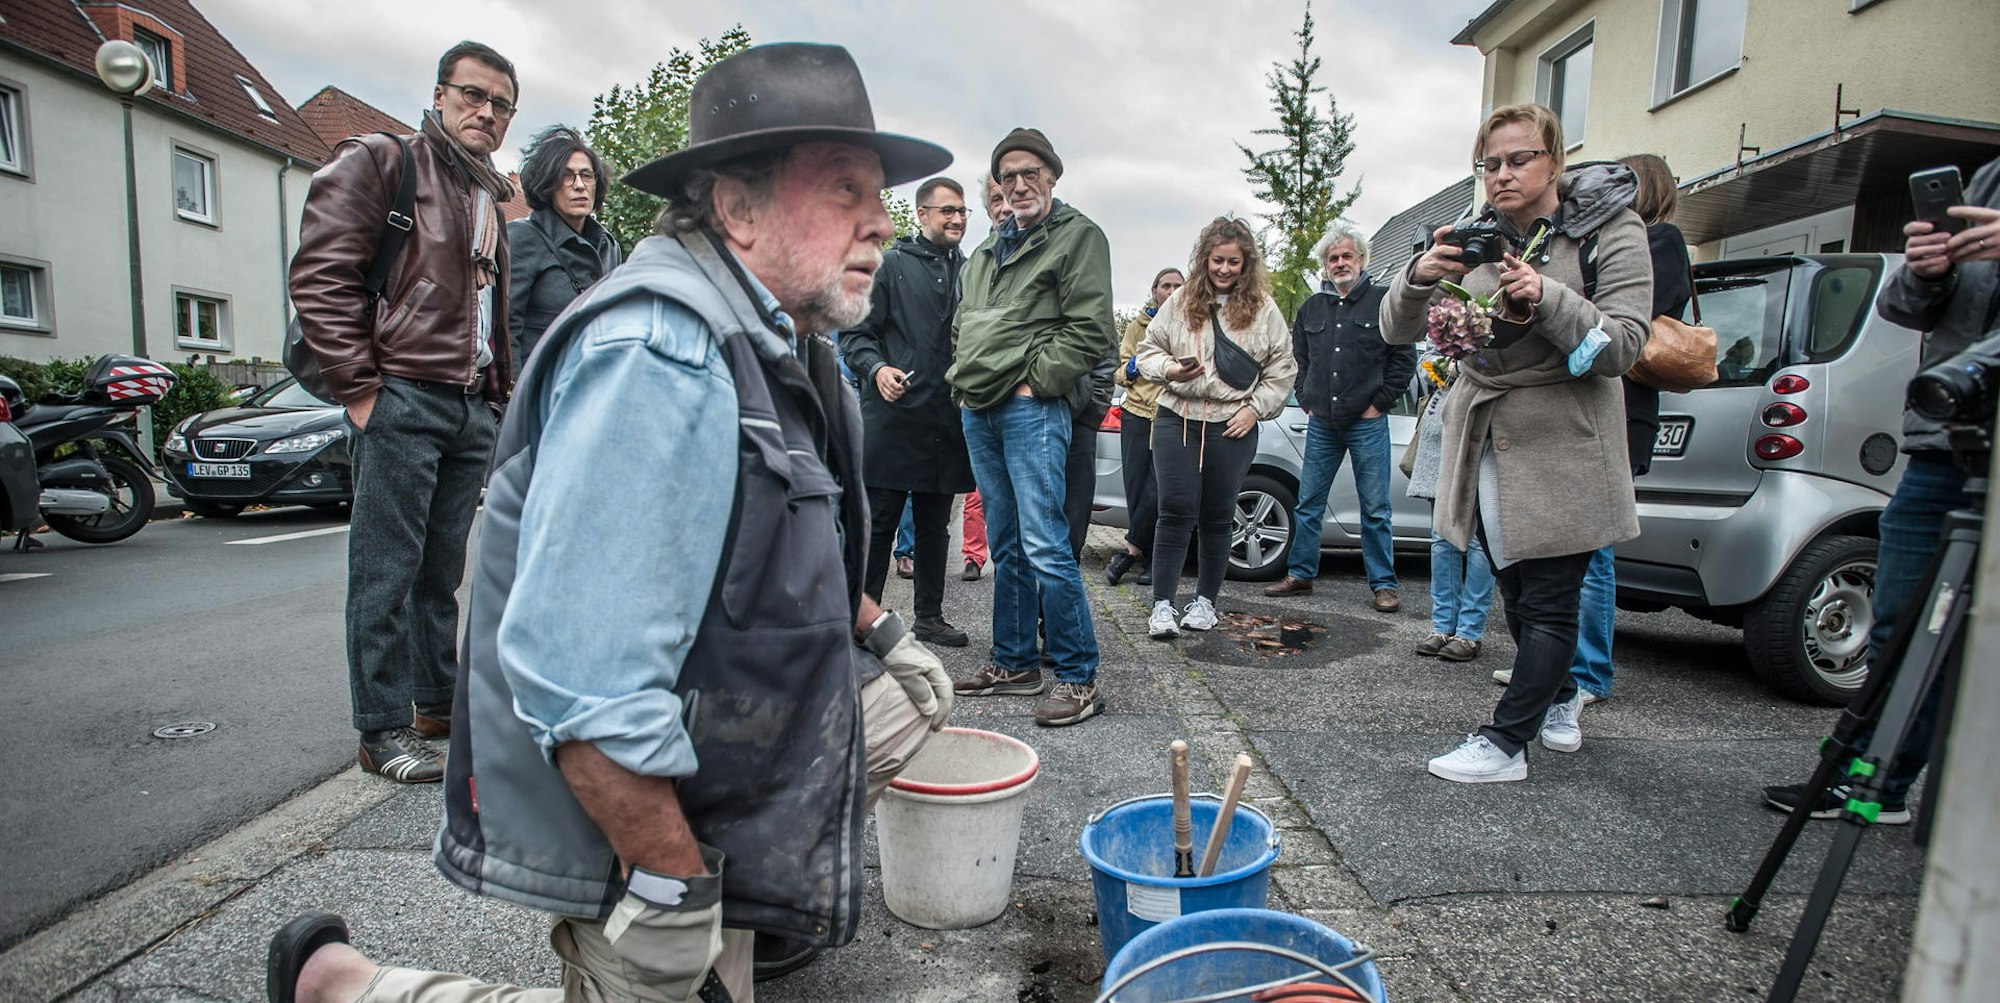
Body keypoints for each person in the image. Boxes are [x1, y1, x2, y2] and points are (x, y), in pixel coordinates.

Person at [263, 43, 956, 1003]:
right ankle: (346, 990)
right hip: (634, 792)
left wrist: (879, 628)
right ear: (738, 208)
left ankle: (737, 917)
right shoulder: (662, 351)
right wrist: (671, 882)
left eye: (878, 193)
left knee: (902, 704)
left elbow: (780, 548)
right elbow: (582, 680)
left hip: (710, 749)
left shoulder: (779, 335)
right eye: (847, 189)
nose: (882, 221)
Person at [1381, 103, 1651, 784]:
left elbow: (1623, 345)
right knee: (1519, 594)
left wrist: (1550, 295)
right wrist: (1418, 274)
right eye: (1491, 163)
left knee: (1553, 598)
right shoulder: (1477, 235)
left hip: (1566, 436)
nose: (1502, 174)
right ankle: (1555, 697)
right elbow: (1394, 330)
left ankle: (1505, 742)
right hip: (1489, 438)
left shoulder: (1609, 230)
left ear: (1554, 161)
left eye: (1519, 159)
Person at [290, 40, 519, 784]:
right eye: (473, 95)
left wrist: (495, 397)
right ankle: (381, 728)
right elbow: (321, 278)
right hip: (402, 394)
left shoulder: (487, 195)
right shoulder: (384, 161)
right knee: (383, 569)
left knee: (437, 571)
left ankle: (434, 703)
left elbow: (490, 313)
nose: (486, 112)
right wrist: (360, 390)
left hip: (465, 402)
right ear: (441, 93)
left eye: (501, 104)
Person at [1764, 154, 2000, 824]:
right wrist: (1927, 272)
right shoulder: (1985, 180)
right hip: (1943, 438)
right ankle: (1878, 779)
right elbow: (1905, 309)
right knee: (1901, 621)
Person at [947, 129, 1116, 727]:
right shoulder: (987, 250)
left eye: (1030, 172)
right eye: (1008, 175)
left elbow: (1092, 330)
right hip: (978, 405)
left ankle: (1078, 676)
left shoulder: (1077, 237)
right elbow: (964, 322)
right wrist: (963, 382)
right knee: (1006, 542)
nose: (1018, 184)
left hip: (1030, 407)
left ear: (1052, 175)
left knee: (1045, 540)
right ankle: (1016, 661)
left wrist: (1035, 383)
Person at [1508, 153, 1692, 700]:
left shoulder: (1652, 240)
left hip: (1619, 407)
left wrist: (1559, 299)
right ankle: (1557, 669)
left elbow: (1625, 324)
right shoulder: (1572, 239)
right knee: (1555, 567)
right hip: (1575, 405)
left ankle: (1586, 673)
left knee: (1592, 555)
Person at [1136, 217, 1297, 640]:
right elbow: (1147, 351)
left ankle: (1205, 602)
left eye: (1233, 262)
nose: (1224, 269)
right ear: (1204, 259)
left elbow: (1282, 368)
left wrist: (1255, 410)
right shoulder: (1182, 300)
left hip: (1233, 422)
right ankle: (1163, 606)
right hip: (1179, 416)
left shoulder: (1263, 307)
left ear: (1247, 264)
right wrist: (1170, 368)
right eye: (1217, 260)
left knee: (1218, 514)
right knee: (1175, 509)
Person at [843, 176, 977, 648]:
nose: (957, 219)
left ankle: (930, 618)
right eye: (947, 211)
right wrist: (877, 369)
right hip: (893, 416)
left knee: (935, 526)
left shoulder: (973, 271)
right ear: (922, 215)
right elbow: (856, 335)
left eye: (962, 211)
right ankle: (861, 618)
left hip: (947, 421)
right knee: (879, 525)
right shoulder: (890, 265)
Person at [1266, 221, 1414, 612]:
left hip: (1366, 423)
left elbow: (1403, 359)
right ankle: (1300, 574)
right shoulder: (1312, 308)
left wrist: (1378, 404)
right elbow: (1299, 359)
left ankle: (1383, 585)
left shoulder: (1384, 302)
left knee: (1376, 508)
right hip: (1322, 424)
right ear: (1325, 265)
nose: (1340, 263)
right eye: (1333, 258)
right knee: (1308, 503)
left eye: (1347, 255)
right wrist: (1306, 398)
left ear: (1362, 259)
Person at [507, 125, 622, 367]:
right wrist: (516, 399)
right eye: (566, 175)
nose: (579, 185)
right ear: (547, 183)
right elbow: (506, 333)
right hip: (538, 391)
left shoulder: (609, 246)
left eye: (586, 175)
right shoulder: (523, 237)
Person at [1407, 354, 1493, 662]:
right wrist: (1451, 364)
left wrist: (1465, 366)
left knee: (1480, 542)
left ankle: (1469, 632)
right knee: (1442, 538)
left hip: (1487, 427)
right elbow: (1426, 364)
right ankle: (1442, 626)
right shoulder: (1451, 311)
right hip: (1442, 432)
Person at [1106, 267, 1185, 587]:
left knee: (1159, 490)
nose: (1171, 291)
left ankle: (1132, 549)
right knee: (1137, 489)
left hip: (1171, 414)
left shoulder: (1192, 325)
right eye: (1166, 286)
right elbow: (1119, 372)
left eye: (1178, 286)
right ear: (1155, 291)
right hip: (1137, 413)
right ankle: (1150, 559)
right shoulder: (1138, 326)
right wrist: (1135, 366)